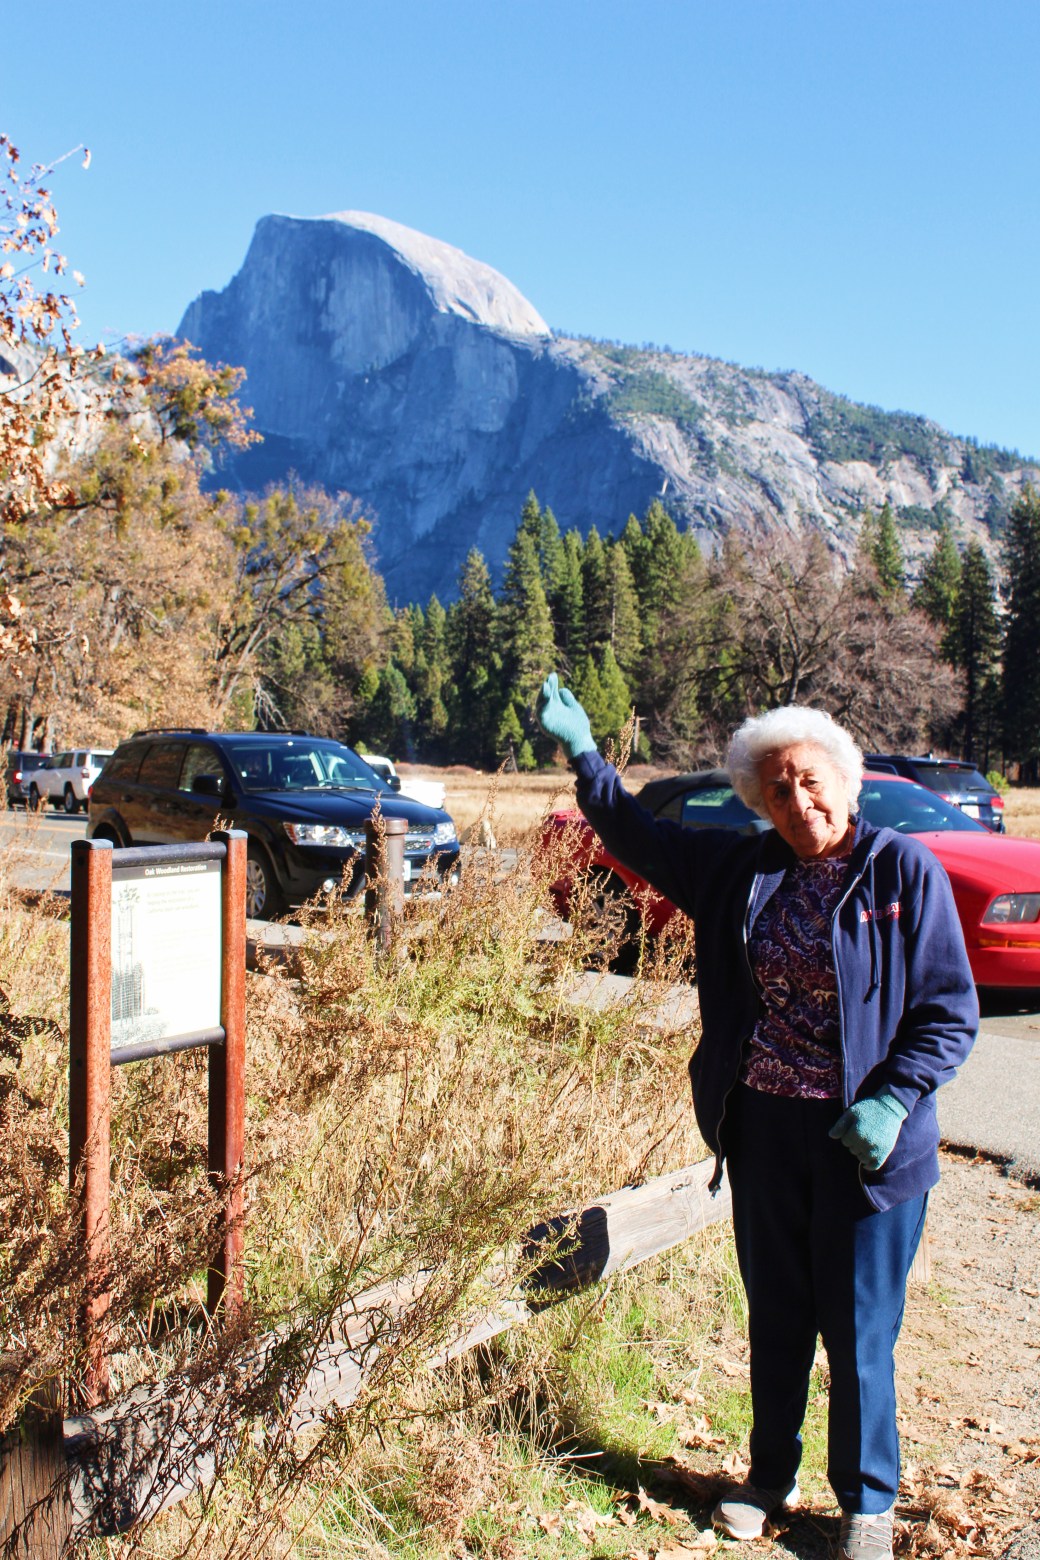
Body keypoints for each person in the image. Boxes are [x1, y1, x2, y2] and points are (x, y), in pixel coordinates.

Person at [536, 675, 978, 1560]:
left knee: (859, 1330)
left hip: (869, 1148)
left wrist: (894, 1098)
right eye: (775, 787)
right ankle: (768, 1476)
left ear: (846, 780)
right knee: (777, 1316)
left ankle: (867, 1503)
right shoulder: (741, 866)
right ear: (756, 799)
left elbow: (947, 1011)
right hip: (767, 1133)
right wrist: (587, 759)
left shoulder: (901, 869)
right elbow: (638, 837)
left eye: (810, 779)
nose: (796, 798)